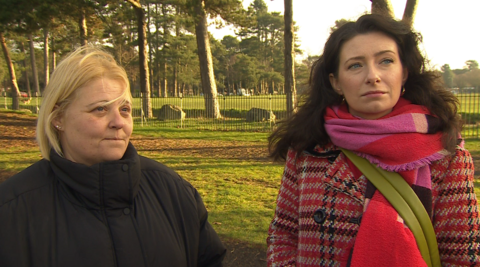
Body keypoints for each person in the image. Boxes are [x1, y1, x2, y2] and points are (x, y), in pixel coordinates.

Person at [267, 14, 480, 267]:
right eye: (356, 65)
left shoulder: (446, 154)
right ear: (335, 82)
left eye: (386, 61)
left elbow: (461, 258)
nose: (373, 76)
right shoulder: (307, 147)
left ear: (404, 73)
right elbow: (283, 234)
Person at [0, 46, 226, 267]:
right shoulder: (11, 211)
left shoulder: (174, 191)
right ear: (57, 117)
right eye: (100, 109)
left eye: (125, 110)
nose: (118, 122)